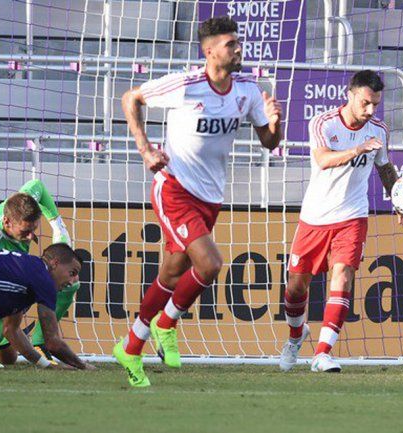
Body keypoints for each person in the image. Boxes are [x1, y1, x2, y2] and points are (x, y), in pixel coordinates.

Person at [114, 16, 282, 387]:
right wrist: (145, 150)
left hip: (210, 197)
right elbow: (131, 98)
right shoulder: (185, 85)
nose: (238, 49)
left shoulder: (248, 91)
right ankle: (166, 323)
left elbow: (269, 144)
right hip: (173, 187)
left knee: (172, 273)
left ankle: (130, 345)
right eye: (230, 44)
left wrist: (276, 122)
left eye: (238, 43)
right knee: (209, 264)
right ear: (209, 51)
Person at [278, 70, 403, 373]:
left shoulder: (378, 130)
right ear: (350, 95)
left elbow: (385, 168)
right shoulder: (323, 123)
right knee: (296, 289)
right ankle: (296, 336)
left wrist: (399, 202)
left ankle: (322, 353)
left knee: (343, 276)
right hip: (314, 217)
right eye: (365, 103)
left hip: (352, 216)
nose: (370, 111)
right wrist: (356, 149)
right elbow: (323, 160)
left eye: (375, 104)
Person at [0, 179, 76, 368]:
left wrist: (58, 227)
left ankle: (41, 342)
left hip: (12, 270)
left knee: (68, 281)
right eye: (26, 231)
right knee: (9, 359)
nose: (32, 237)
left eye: (34, 229)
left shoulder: (20, 205)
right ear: (6, 222)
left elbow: (38, 185)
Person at [0, 244, 92, 370]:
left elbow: (11, 331)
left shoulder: (25, 276)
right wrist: (82, 365)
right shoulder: (44, 278)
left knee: (9, 357)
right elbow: (53, 342)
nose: (74, 281)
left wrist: (46, 365)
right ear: (55, 263)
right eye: (72, 273)